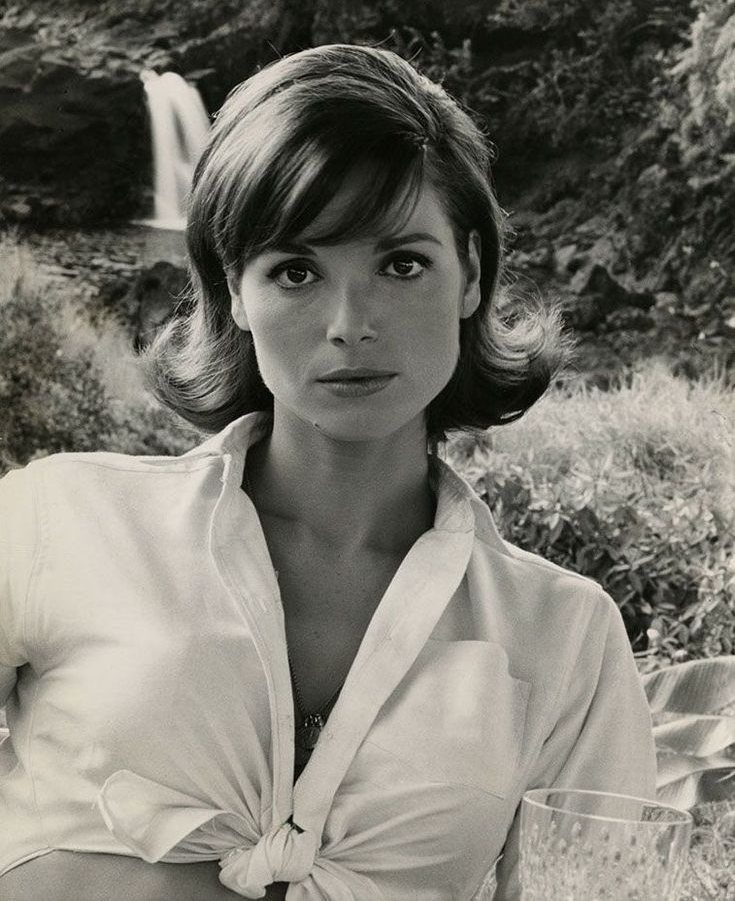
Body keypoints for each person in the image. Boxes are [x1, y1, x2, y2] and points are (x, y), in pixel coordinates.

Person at [0, 44, 657, 901]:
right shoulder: (64, 520)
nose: (349, 324)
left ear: (469, 273)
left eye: (401, 264)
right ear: (236, 291)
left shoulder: (562, 633)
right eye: (297, 271)